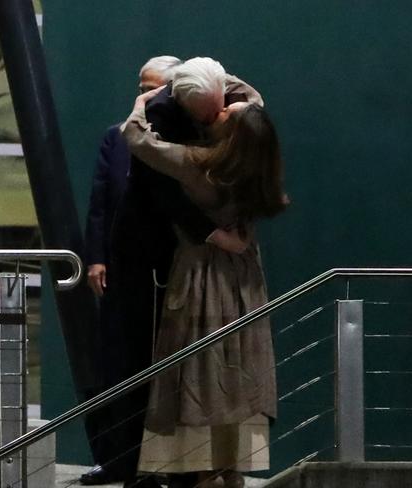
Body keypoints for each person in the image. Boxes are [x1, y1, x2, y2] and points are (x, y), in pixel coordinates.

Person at [121, 86, 287, 488]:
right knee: (239, 365)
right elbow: (255, 100)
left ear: (231, 130)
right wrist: (224, 84)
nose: (223, 109)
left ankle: (205, 472)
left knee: (203, 366)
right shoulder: (257, 160)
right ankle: (230, 468)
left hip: (201, 274)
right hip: (244, 276)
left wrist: (148, 99)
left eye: (227, 111)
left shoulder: (199, 162)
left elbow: (136, 137)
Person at [82, 55, 182, 486]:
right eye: (141, 86)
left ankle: (162, 464)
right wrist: (96, 257)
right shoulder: (116, 136)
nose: (143, 94)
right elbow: (101, 200)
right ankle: (117, 459)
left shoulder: (180, 138)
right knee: (117, 364)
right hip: (122, 270)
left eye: (154, 87)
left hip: (164, 271)